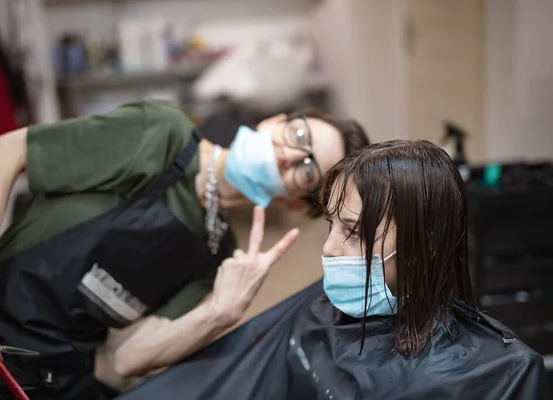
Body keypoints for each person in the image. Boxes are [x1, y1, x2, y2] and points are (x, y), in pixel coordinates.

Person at [0, 99, 370, 399]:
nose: (289, 155)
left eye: (308, 169)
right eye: (298, 135)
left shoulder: (217, 253)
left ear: (293, 203)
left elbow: (128, 360)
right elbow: (3, 152)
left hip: (49, 376)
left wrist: (219, 314)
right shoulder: (163, 134)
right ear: (275, 120)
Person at [119, 140, 550, 400]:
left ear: (424, 244)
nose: (327, 248)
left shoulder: (500, 377)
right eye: (331, 225)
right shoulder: (319, 311)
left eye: (354, 232)